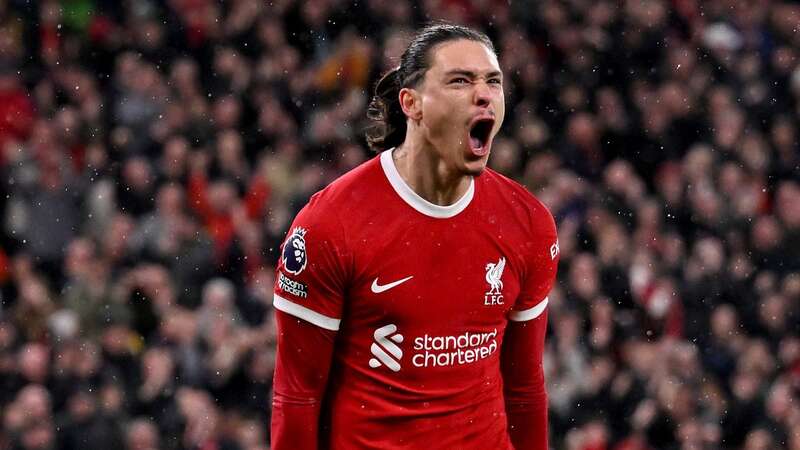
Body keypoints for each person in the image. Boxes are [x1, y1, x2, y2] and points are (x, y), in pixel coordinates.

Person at [271, 23, 559, 450]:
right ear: (413, 104)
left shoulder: (528, 223)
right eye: (460, 80)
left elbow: (524, 388)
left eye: (493, 82)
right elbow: (297, 396)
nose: (484, 94)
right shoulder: (330, 224)